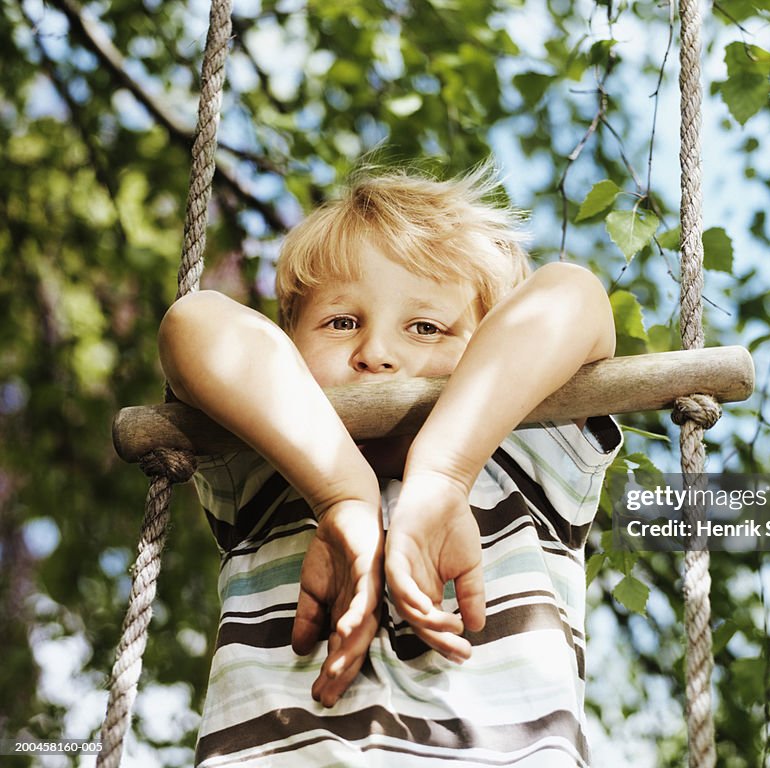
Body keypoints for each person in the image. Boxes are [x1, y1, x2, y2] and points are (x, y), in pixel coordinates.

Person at [158, 164, 622, 767]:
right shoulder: (263, 472)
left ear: (486, 352)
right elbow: (193, 323)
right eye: (341, 322)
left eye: (427, 327)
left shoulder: (526, 457)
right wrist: (341, 496)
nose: (376, 353)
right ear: (290, 352)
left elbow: (572, 294)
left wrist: (445, 473)